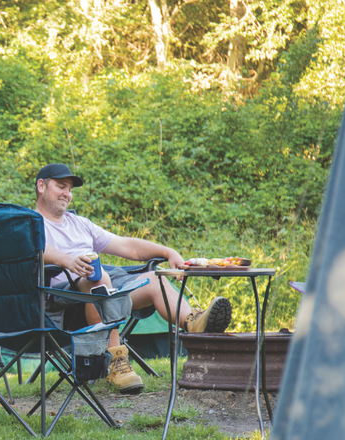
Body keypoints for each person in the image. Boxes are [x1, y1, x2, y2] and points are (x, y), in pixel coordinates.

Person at [34, 163, 233, 394]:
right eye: (61, 187)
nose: (67, 194)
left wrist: (167, 251)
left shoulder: (80, 223)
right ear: (41, 186)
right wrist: (66, 260)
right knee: (97, 278)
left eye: (69, 189)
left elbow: (125, 245)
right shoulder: (30, 223)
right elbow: (31, 247)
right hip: (64, 299)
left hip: (104, 289)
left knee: (154, 280)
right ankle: (117, 362)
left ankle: (195, 324)